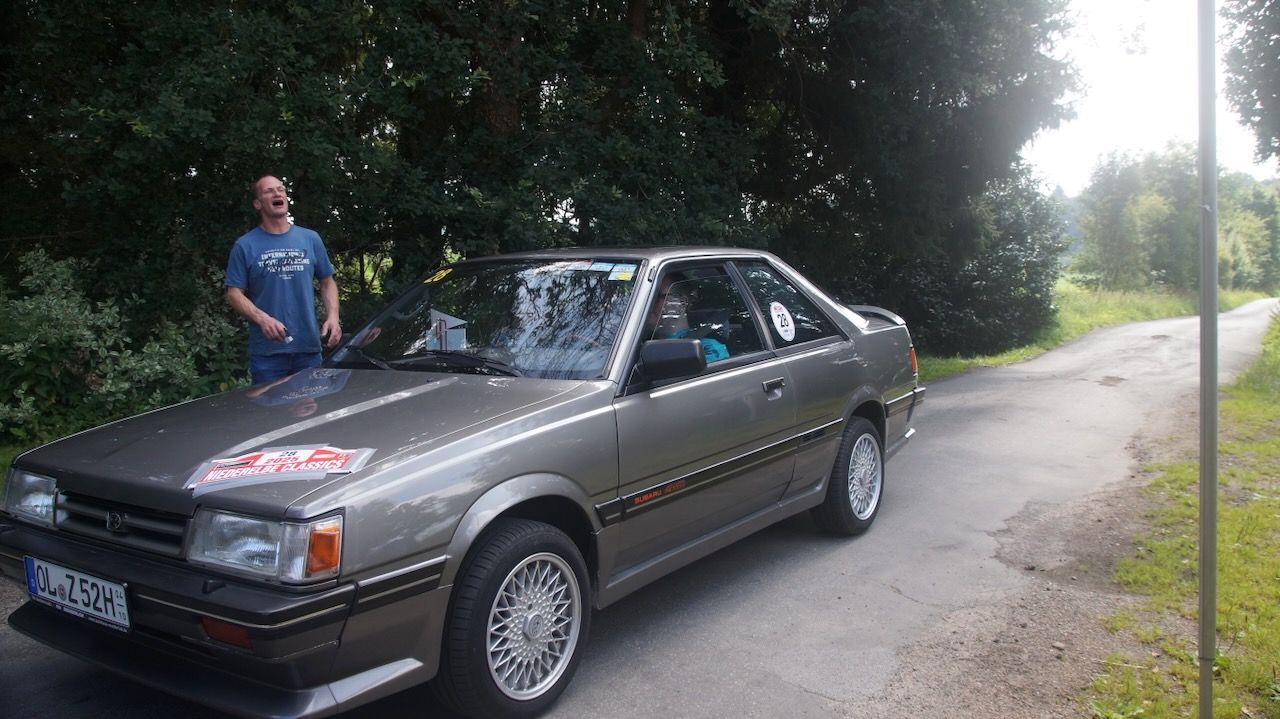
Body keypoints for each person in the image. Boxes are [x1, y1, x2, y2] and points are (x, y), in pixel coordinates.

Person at [226, 175, 341, 385]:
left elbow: (327, 281)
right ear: (258, 203)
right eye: (269, 191)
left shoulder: (310, 239)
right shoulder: (245, 245)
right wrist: (263, 319)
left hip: (308, 349)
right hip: (268, 354)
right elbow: (233, 294)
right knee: (270, 408)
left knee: (311, 406)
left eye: (280, 189)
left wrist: (333, 317)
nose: (277, 193)